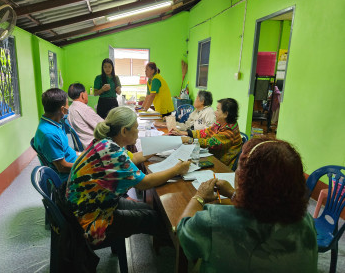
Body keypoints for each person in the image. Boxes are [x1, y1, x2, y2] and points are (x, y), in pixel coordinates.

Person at [177, 137, 318, 273]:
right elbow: (267, 201)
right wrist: (233, 194)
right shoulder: (306, 221)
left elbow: (183, 232)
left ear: (247, 180)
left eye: (239, 167)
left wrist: (199, 196)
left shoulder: (214, 221)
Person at [65, 106, 191, 246]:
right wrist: (177, 169)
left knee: (148, 209)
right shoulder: (111, 152)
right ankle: (179, 251)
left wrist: (163, 145)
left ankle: (169, 244)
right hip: (91, 222)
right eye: (136, 127)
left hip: (88, 207)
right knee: (152, 218)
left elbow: (134, 158)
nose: (137, 131)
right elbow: (144, 183)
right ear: (124, 131)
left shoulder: (105, 143)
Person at [170, 98, 242, 168]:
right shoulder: (220, 122)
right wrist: (185, 133)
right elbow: (206, 132)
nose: (215, 112)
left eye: (217, 110)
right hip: (213, 156)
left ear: (225, 114)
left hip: (222, 165)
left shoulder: (230, 131)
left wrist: (189, 140)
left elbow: (210, 142)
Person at [34, 88, 78, 182]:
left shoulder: (54, 123)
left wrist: (82, 155)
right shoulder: (49, 134)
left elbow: (65, 149)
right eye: (67, 106)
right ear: (62, 109)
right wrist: (85, 166)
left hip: (73, 162)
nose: (68, 109)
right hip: (67, 178)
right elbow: (62, 167)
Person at [67, 83, 104, 148]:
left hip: (82, 145)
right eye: (86, 93)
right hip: (94, 145)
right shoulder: (84, 108)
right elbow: (103, 126)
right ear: (82, 95)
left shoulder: (70, 108)